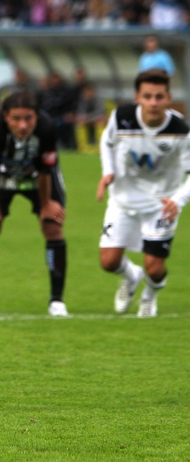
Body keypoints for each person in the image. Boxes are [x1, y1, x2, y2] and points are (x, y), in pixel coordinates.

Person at [96, 69, 190, 318]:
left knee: (155, 268)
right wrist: (108, 172)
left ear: (168, 98)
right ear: (137, 97)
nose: (153, 103)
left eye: (159, 97)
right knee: (108, 262)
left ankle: (150, 295)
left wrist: (178, 201)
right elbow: (106, 142)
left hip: (161, 204)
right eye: (147, 96)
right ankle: (131, 276)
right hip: (123, 200)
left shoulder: (180, 129)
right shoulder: (122, 117)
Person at [0, 90, 68, 317]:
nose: (23, 125)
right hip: (2, 176)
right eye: (16, 119)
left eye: (28, 118)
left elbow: (45, 171)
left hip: (38, 176)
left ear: (37, 116)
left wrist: (45, 205)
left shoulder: (47, 128)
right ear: (5, 116)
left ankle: (57, 301)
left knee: (52, 225)